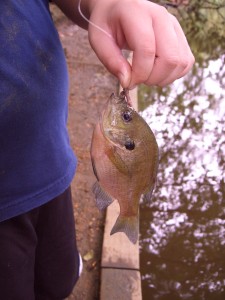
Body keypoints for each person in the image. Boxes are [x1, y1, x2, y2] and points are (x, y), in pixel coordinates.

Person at [0, 0, 194, 299]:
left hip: (48, 165)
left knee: (58, 279)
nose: (124, 113)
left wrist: (101, 3)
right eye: (127, 118)